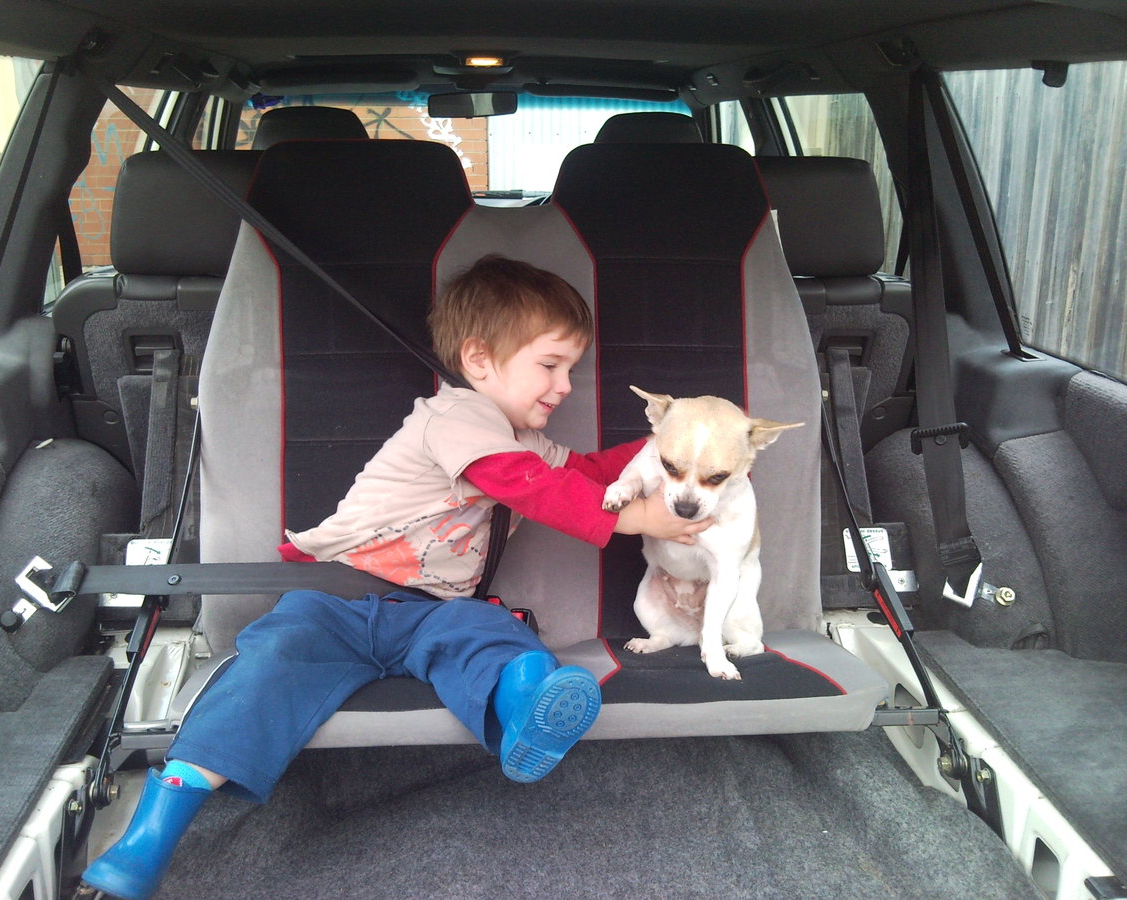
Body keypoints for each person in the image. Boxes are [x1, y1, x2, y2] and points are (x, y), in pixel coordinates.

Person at [81, 255, 711, 900]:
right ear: (480, 360)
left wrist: (668, 457)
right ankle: (149, 838)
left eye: (571, 370)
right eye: (550, 365)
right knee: (271, 665)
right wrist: (642, 519)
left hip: (434, 611)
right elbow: (532, 490)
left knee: (492, 634)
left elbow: (581, 474)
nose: (565, 385)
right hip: (338, 598)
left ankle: (529, 707)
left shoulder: (526, 440)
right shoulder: (455, 418)